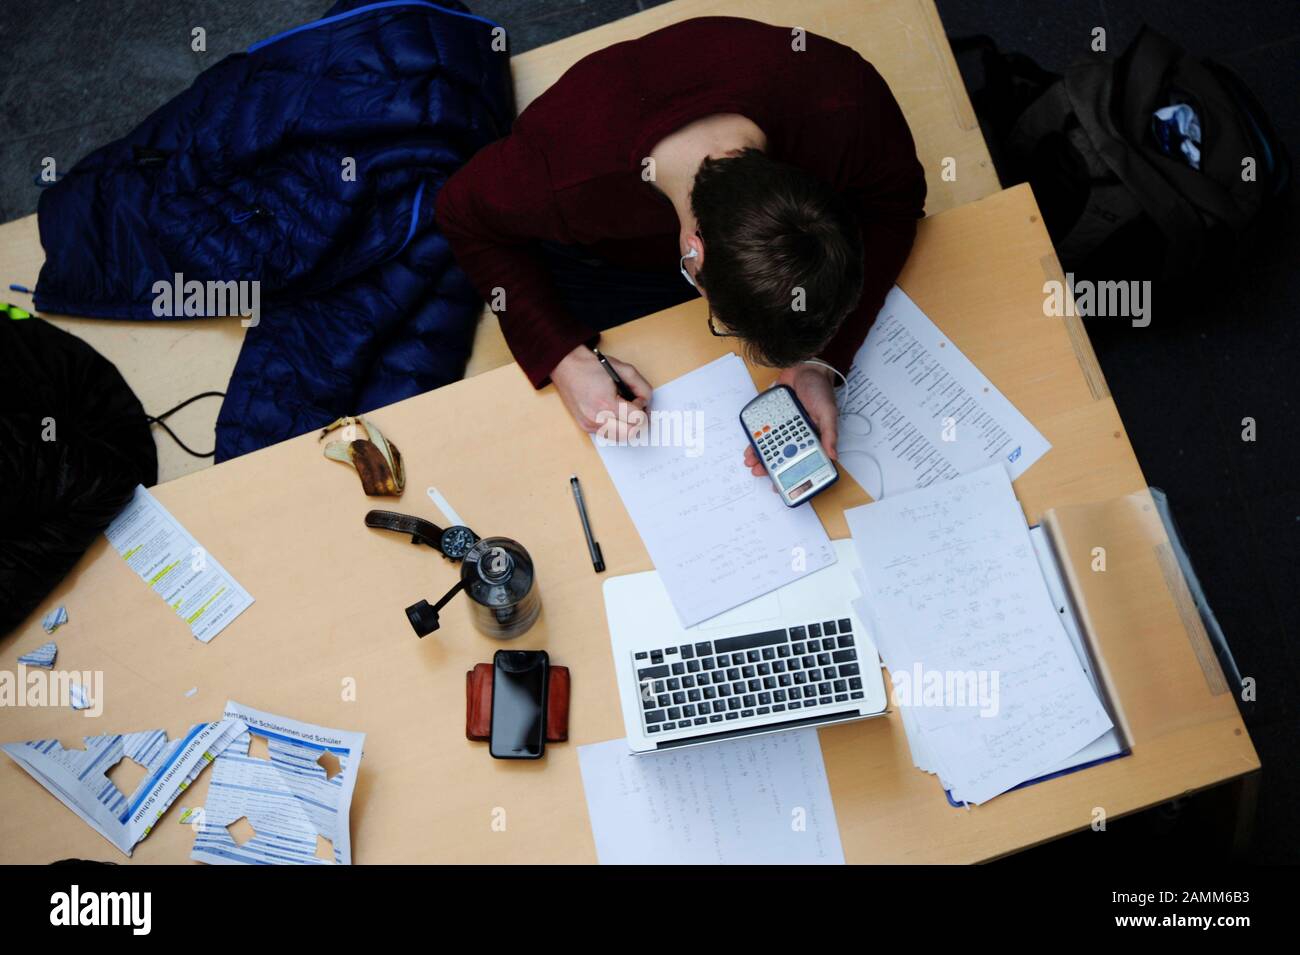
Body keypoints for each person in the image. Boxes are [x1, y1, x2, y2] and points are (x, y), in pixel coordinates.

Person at [436, 16, 926, 472]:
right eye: (719, 321)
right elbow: (459, 213)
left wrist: (819, 361)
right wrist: (565, 359)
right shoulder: (560, 179)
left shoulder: (846, 104)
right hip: (607, 244)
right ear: (692, 255)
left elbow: (895, 205)